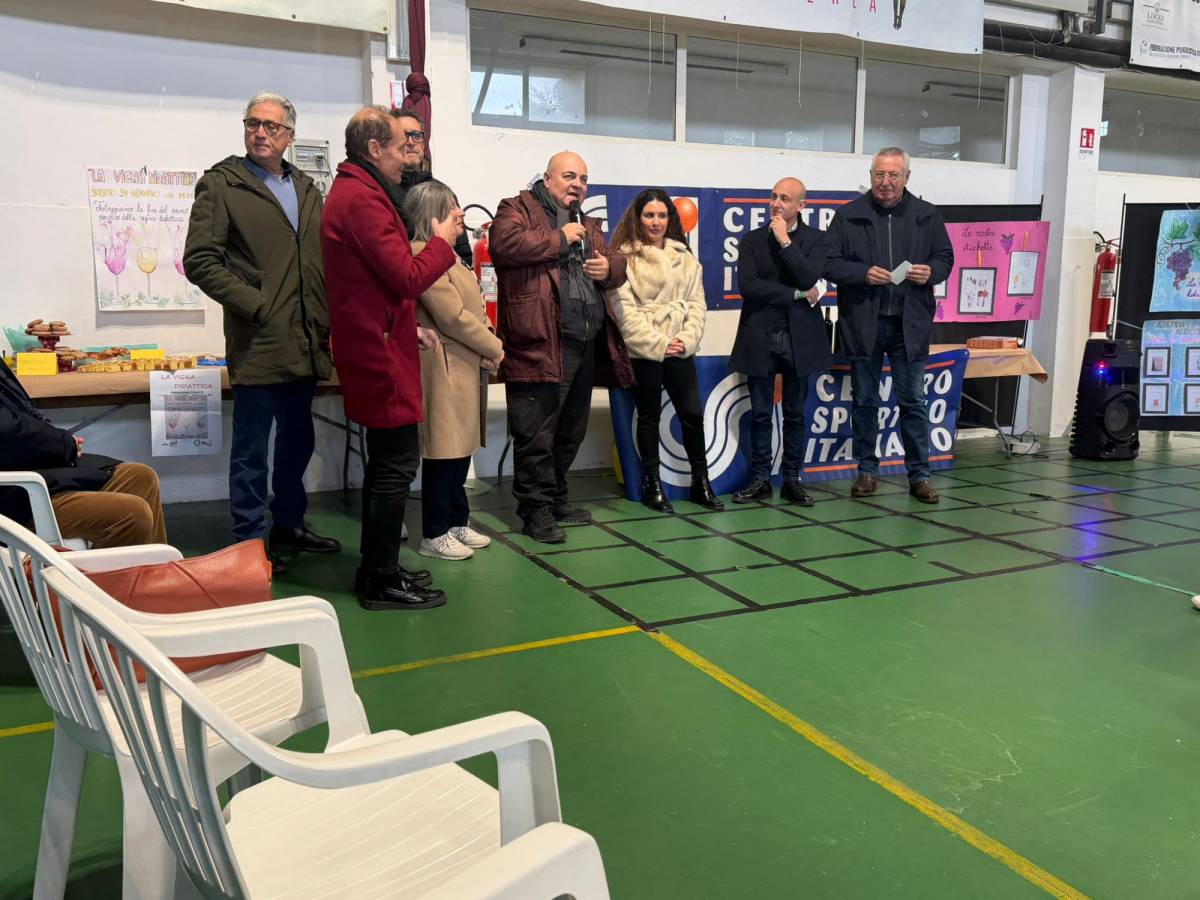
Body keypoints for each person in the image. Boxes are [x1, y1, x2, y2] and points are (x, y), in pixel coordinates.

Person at [184, 91, 340, 574]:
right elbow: (199, 261)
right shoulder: (221, 185)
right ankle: (248, 546)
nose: (260, 132)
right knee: (252, 451)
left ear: (289, 135)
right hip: (259, 340)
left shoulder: (308, 189)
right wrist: (255, 303)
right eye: (253, 123)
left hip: (306, 340)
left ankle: (289, 524)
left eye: (271, 126)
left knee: (297, 442)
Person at [320, 106, 462, 610]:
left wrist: (408, 326)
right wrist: (441, 244)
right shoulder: (362, 199)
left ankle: (379, 568)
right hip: (377, 354)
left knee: (387, 464)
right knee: (395, 466)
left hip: (377, 342)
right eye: (401, 147)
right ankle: (380, 580)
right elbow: (405, 277)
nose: (409, 156)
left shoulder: (359, 192)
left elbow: (375, 284)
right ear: (374, 148)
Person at [490, 152, 634, 544]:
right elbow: (504, 245)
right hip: (539, 341)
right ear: (548, 178)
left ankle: (554, 498)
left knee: (570, 431)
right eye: (570, 176)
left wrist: (609, 269)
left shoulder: (585, 222)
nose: (578, 185)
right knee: (536, 434)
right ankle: (534, 510)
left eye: (584, 179)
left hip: (584, 341)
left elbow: (617, 260)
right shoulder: (516, 208)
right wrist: (559, 238)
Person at [824, 147, 954, 504]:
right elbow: (829, 263)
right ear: (871, 176)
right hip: (863, 323)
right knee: (864, 401)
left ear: (906, 177)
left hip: (909, 326)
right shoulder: (848, 215)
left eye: (893, 175)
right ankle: (866, 472)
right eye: (879, 174)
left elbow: (945, 258)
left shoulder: (927, 215)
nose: (885, 182)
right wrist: (862, 274)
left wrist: (932, 272)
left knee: (913, 402)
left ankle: (920, 476)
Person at [404, 180, 504, 560]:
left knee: (461, 450)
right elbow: (452, 316)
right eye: (451, 207)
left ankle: (457, 520)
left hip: (464, 364)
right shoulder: (421, 253)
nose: (460, 213)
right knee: (443, 453)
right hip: (444, 366)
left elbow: (474, 307)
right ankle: (434, 532)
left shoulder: (449, 255)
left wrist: (488, 339)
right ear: (432, 215)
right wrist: (493, 346)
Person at [609, 189, 722, 513]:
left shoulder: (685, 257)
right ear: (638, 218)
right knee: (648, 417)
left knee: (693, 415)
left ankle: (701, 483)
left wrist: (685, 340)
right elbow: (623, 310)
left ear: (670, 219)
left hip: (680, 347)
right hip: (646, 350)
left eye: (661, 215)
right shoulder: (624, 258)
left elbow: (697, 305)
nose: (655, 222)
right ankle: (652, 485)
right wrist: (658, 342)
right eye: (649, 215)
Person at [728, 177, 830, 506]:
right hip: (760, 334)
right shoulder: (752, 240)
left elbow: (810, 277)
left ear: (801, 205)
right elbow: (749, 286)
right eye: (773, 196)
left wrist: (785, 241)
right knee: (760, 413)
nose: (776, 204)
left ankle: (792, 480)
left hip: (801, 338)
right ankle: (760, 479)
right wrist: (796, 295)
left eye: (785, 199)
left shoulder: (816, 240)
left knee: (795, 414)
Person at [0, 362, 166, 547]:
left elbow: (20, 419)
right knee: (132, 515)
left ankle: (157, 566)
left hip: (28, 471)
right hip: (14, 493)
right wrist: (63, 444)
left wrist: (58, 440)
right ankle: (121, 567)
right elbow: (8, 431)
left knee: (141, 477)